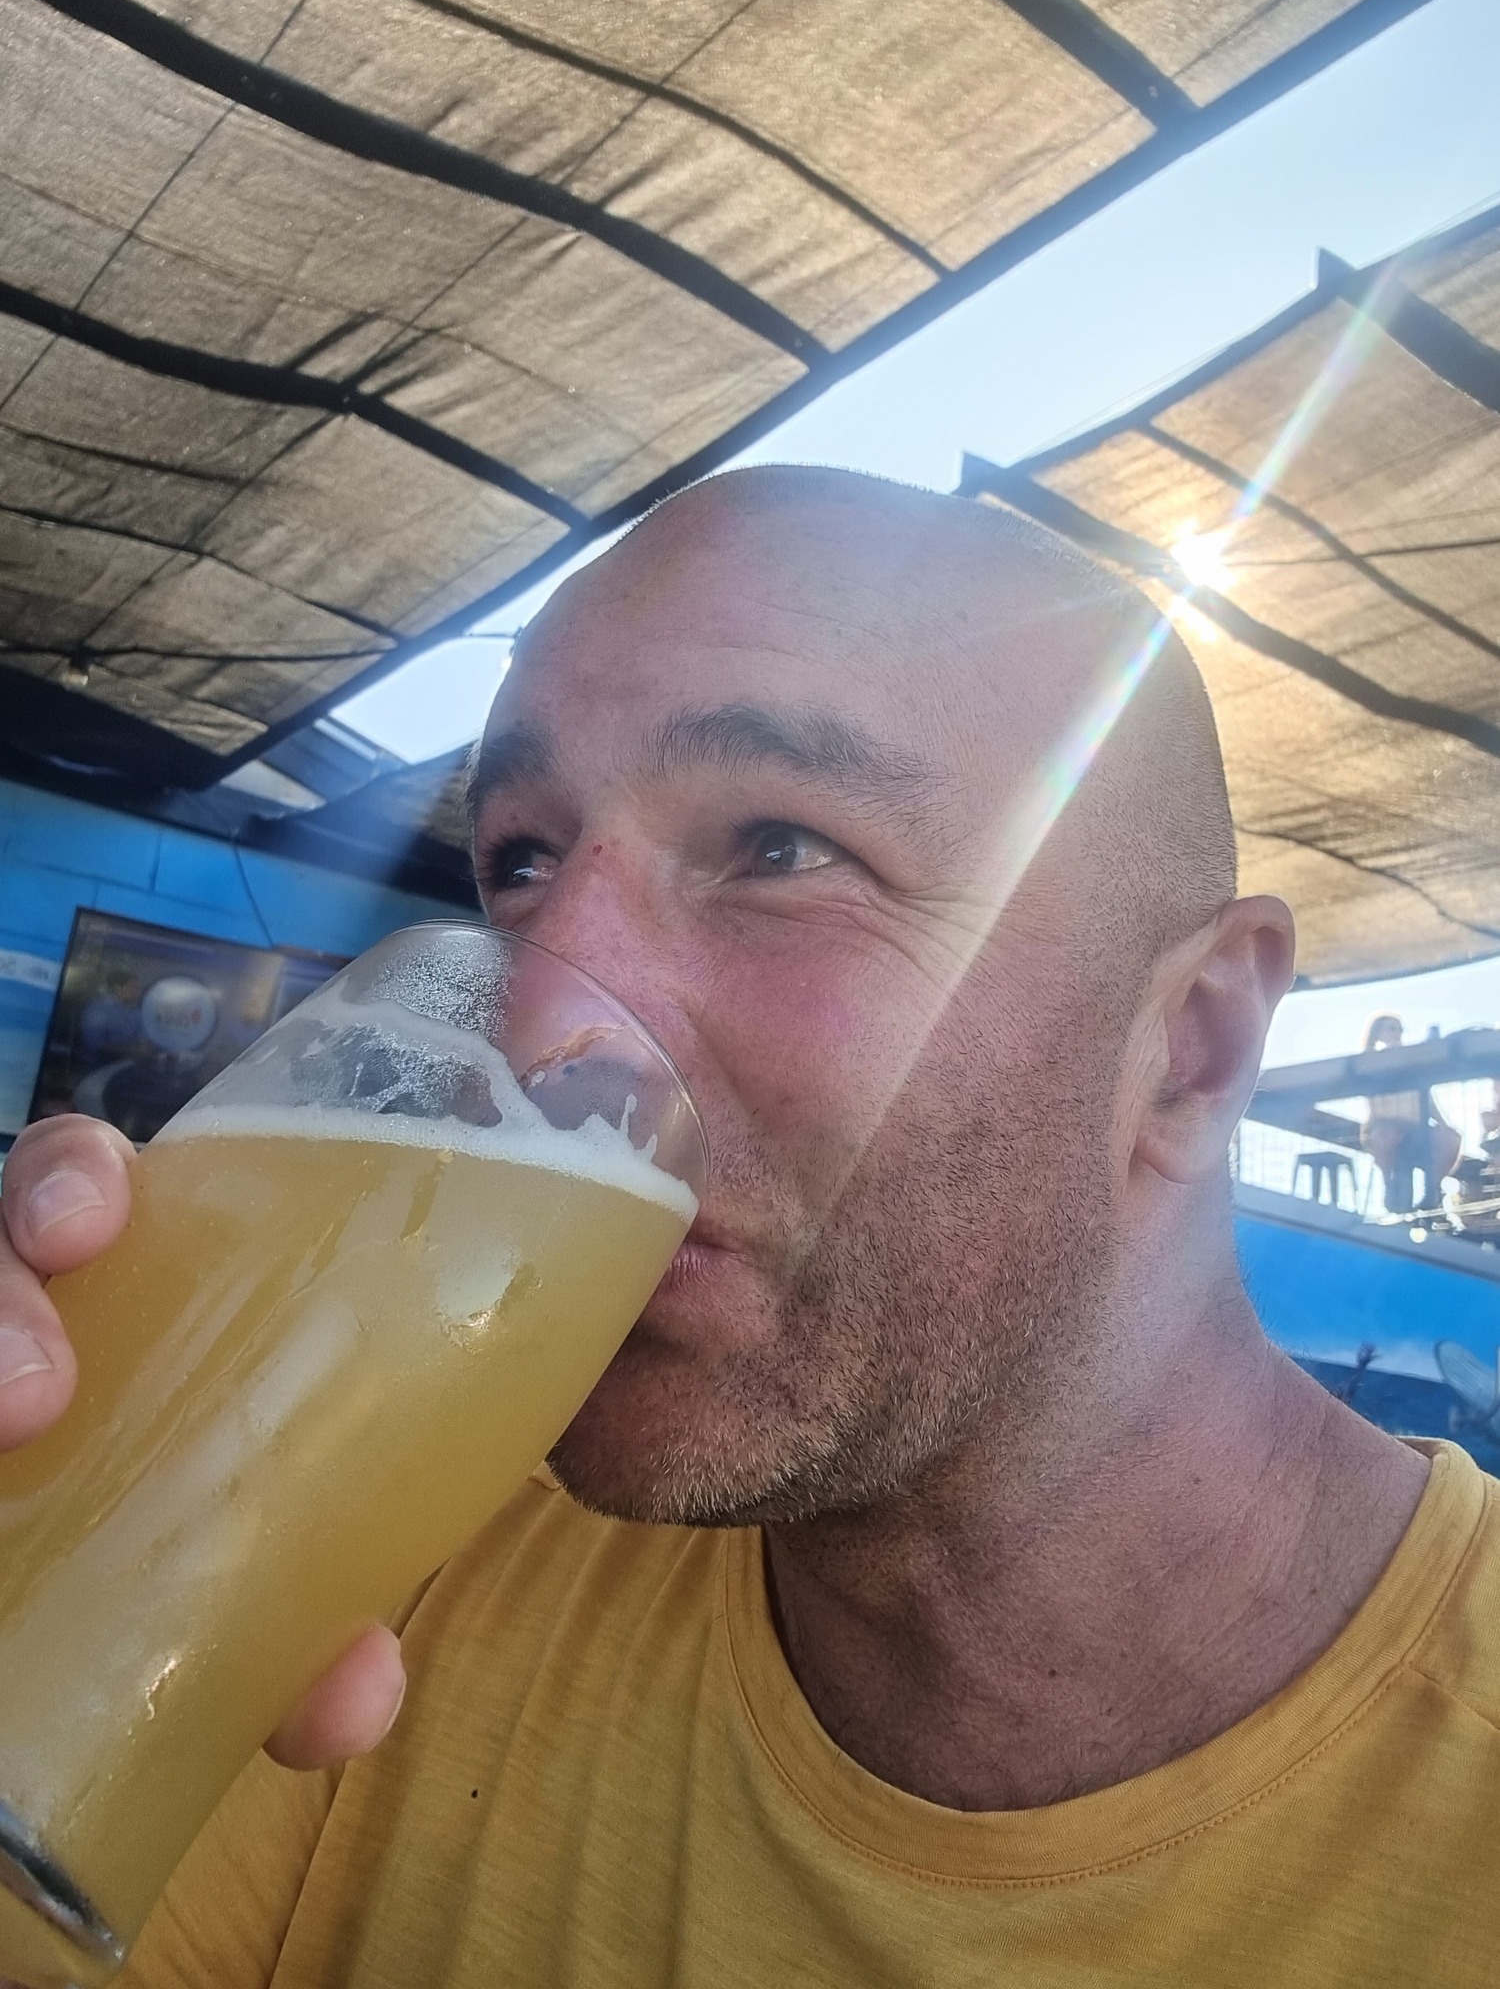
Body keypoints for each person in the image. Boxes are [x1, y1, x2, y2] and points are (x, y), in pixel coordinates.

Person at [3, 468, 1498, 1988]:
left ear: (1191, 1045)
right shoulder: (386, 1542)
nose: (539, 1023)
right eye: (521, 860)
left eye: (781, 848)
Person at [1360, 1012, 1460, 1214]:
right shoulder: (1369, 1062)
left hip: (1418, 1126)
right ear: (1378, 1033)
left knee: (1452, 1139)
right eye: (1391, 1028)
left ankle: (1432, 1190)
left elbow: (1427, 1100)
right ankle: (1389, 1185)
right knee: (1385, 1136)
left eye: (1400, 1029)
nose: (1397, 1033)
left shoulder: (1413, 1060)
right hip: (1385, 1125)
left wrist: (1443, 1124)